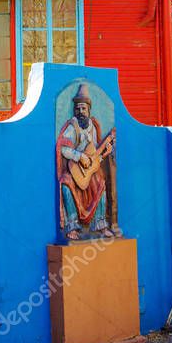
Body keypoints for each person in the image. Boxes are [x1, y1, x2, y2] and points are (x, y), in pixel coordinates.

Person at [56, 83, 116, 240]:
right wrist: (79, 156)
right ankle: (72, 226)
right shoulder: (72, 127)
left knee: (100, 183)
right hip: (74, 168)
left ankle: (100, 225)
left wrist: (103, 154)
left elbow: (93, 154)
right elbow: (63, 148)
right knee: (66, 183)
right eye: (78, 108)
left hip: (86, 171)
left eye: (84, 108)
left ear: (89, 110)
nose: (81, 111)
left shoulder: (93, 128)